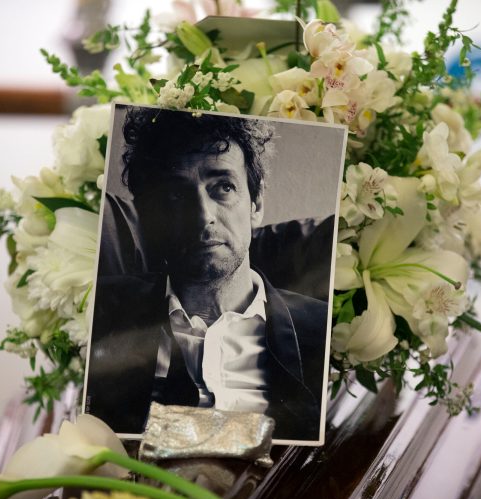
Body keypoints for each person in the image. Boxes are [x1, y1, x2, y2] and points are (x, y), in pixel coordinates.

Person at [85, 107, 327, 441]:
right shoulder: (101, 313)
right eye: (174, 195)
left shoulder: (321, 330)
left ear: (256, 205)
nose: (202, 216)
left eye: (223, 187)